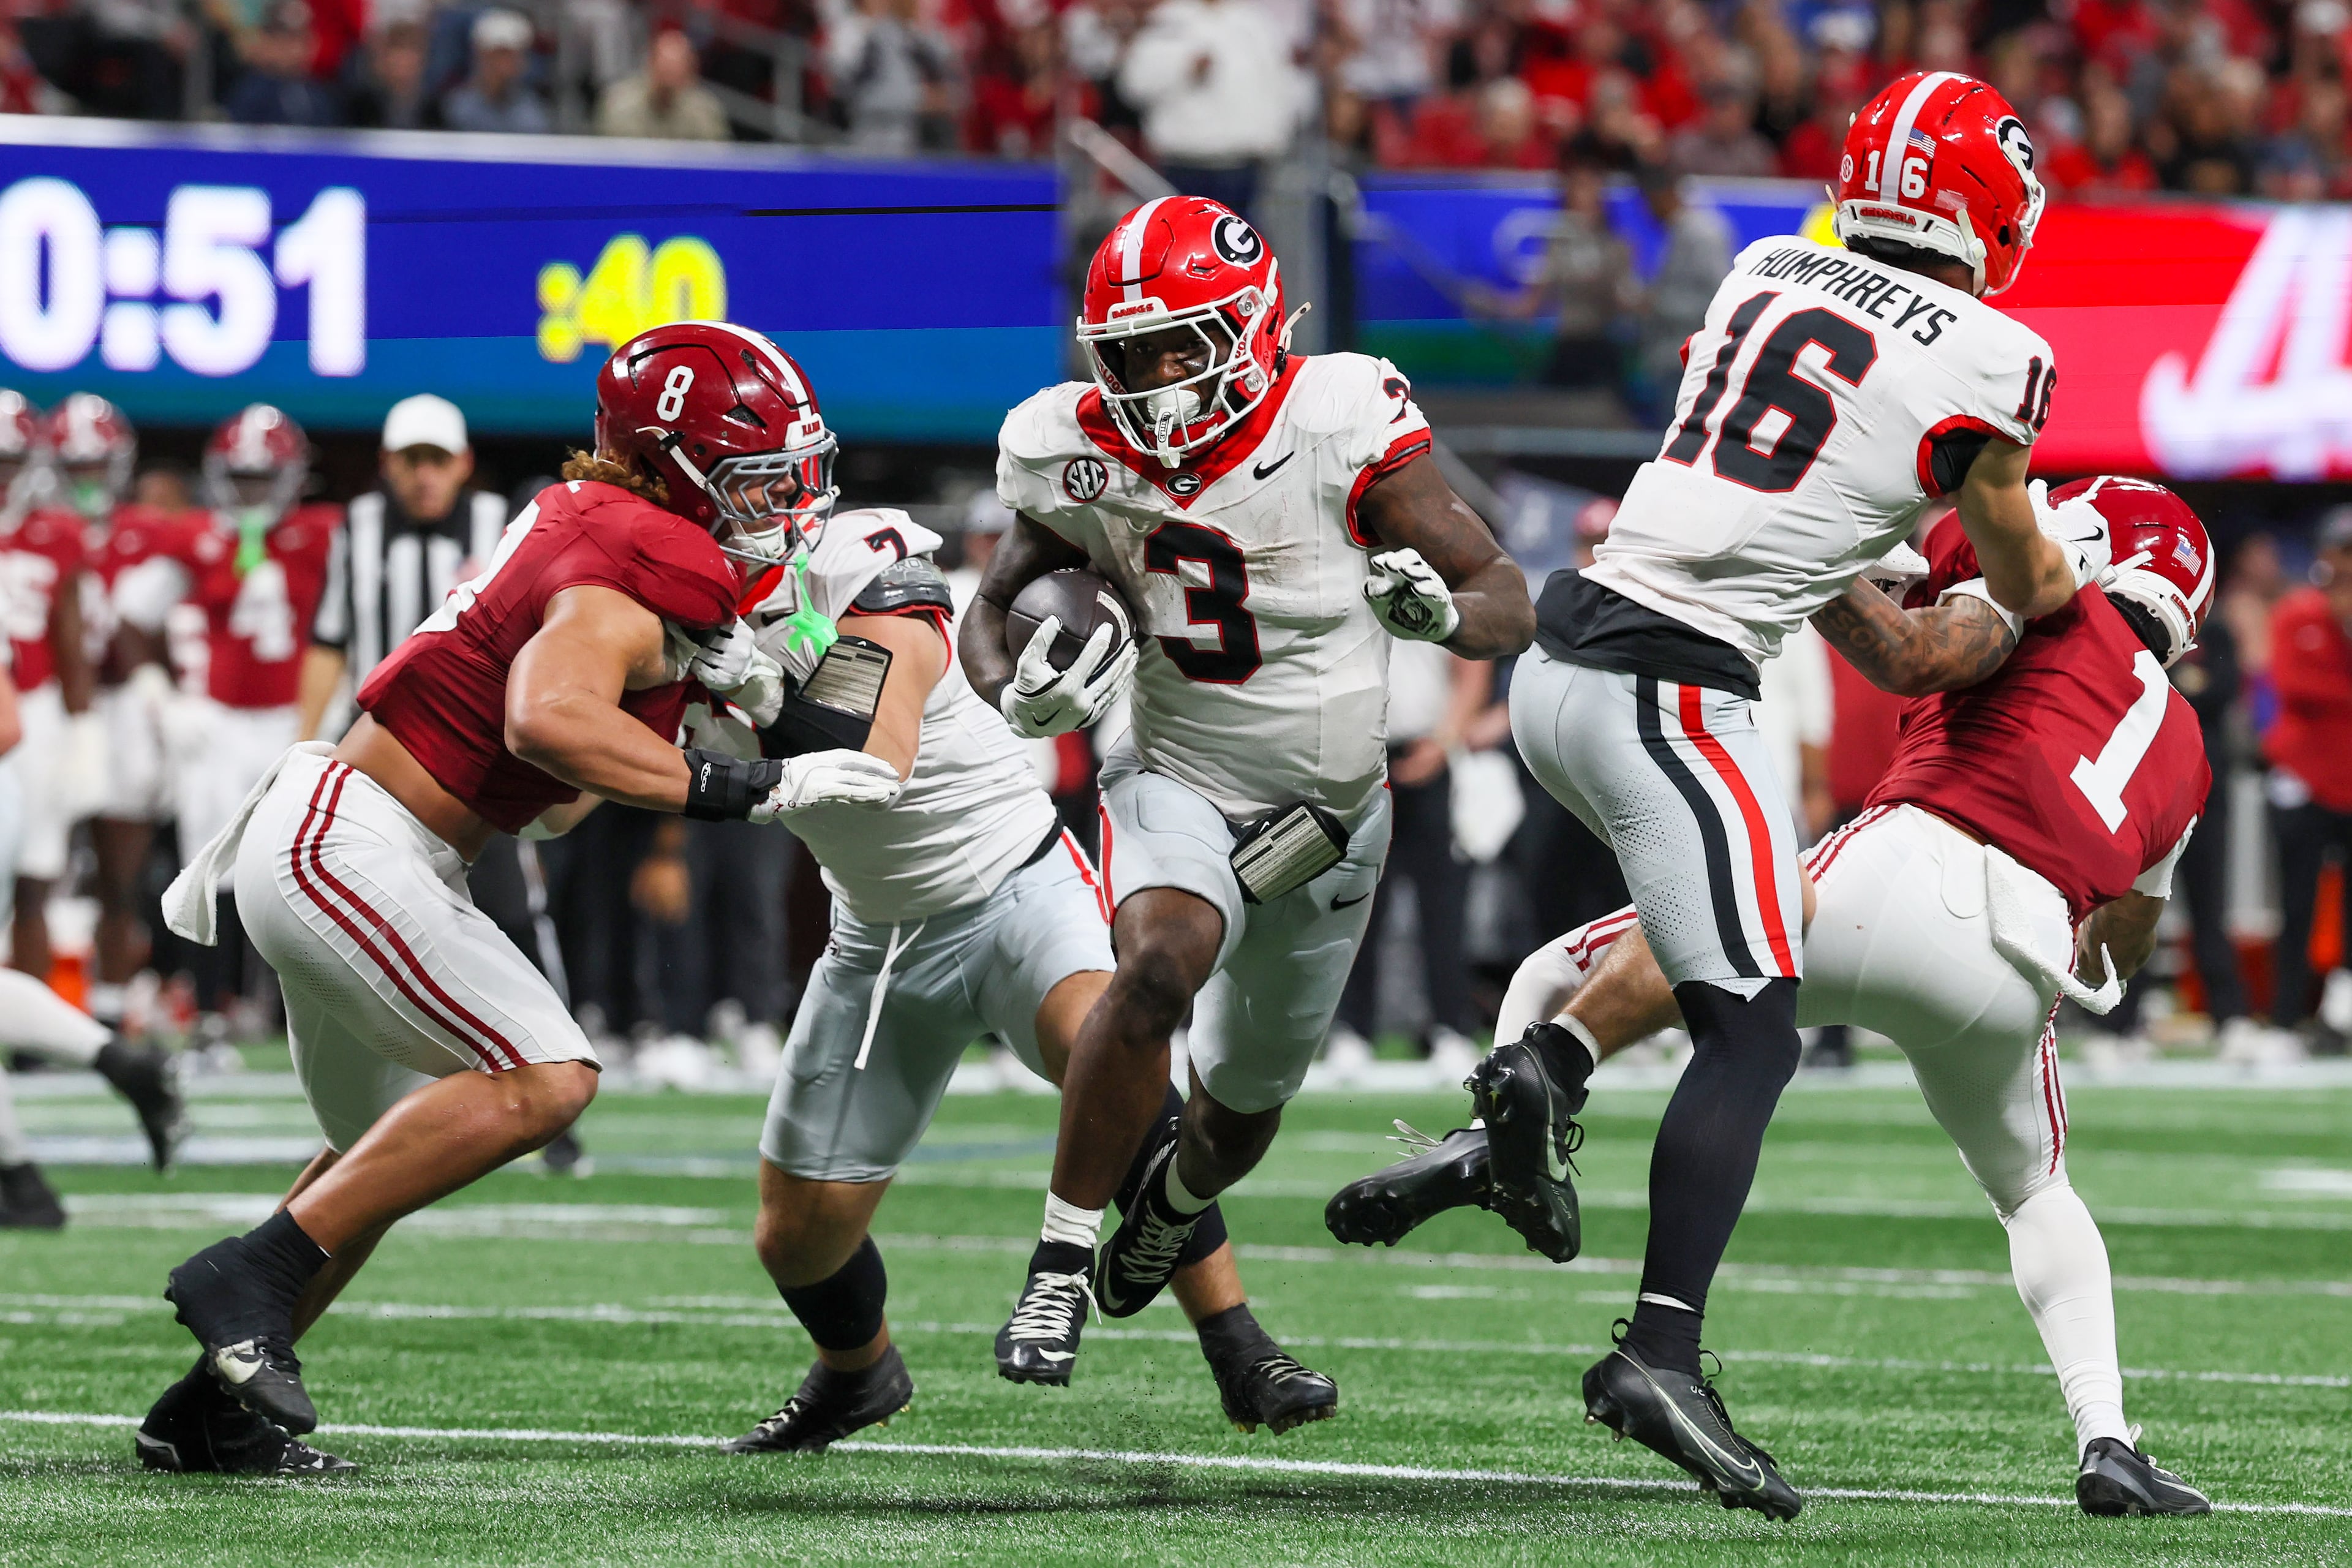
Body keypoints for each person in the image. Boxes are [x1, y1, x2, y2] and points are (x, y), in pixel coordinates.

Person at [1333, 477, 2218, 1519]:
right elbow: (2130, 937)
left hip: (1903, 869)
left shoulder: (2039, 601)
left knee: (1563, 971)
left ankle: (1510, 1118)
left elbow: (1917, 616)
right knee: (2035, 1193)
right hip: (2023, 963)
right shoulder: (2189, 750)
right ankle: (2108, 1441)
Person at [1478, 72, 2106, 1517]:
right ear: (1989, 205)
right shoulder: (1988, 352)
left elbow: (1812, 542)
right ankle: (1657, 1350)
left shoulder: (1766, 263)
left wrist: (1895, 603)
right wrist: (2040, 586)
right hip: (1671, 686)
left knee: (1725, 984)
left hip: (1565, 662)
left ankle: (1542, 1071)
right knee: (1753, 1029)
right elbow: (2018, 580)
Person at [132, 322, 900, 1476]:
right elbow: (542, 717)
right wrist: (753, 780)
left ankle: (205, 1413)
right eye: (757, 478)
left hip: (344, 837)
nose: (784, 502)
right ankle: (248, 1275)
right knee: (548, 1077)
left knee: (372, 1157)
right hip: (353, 845)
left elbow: (551, 803)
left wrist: (689, 706)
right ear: (680, 466)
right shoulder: (650, 547)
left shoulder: (596, 525)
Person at [963, 197, 1534, 1383]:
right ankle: (1058, 1266)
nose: (1160, 379)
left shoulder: (1338, 416)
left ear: (1260, 327)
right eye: (1133, 352)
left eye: (1187, 344)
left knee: (1240, 1111)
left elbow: (1504, 594)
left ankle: (1167, 1205)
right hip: (1179, 762)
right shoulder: (1067, 441)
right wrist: (1017, 686)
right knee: (1160, 961)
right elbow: (993, 605)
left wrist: (1441, 612)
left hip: (1333, 815)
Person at [724, 484, 1333, 1450]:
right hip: (875, 938)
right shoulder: (659, 608)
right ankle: (858, 1374)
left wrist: (753, 693)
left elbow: (870, 751)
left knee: (1120, 1073)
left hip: (1017, 885)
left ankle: (1240, 1343)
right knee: (795, 1233)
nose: (766, 503)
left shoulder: (858, 557)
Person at [111, 407, 339, 1048]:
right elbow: (132, 614)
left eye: (264, 478)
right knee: (208, 869)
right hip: (216, 719)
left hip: (294, 719)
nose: (253, 493)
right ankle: (211, 1008)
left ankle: (285, 1008)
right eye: (241, 479)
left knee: (296, 868)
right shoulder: (197, 538)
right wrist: (160, 694)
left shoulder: (326, 534)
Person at [1325, 643, 1491, 1080]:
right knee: (1358, 901)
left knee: (1443, 903)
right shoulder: (1347, 585)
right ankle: (1351, 1030)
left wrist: (1444, 741)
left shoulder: (1437, 583)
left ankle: (1451, 1028)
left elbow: (1472, 668)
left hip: (1428, 752)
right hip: (1360, 761)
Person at [2, 396, 101, 989]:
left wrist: (82, 728)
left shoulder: (58, 533)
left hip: (32, 711)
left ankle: (31, 1032)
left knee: (34, 875)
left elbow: (69, 638)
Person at [2261, 507, 2352, 1050]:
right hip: (2306, 779)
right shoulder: (2299, 614)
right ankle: (2284, 1015)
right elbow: (2295, 686)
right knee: (2295, 903)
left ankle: (2341, 1012)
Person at [1117, 0, 1306, 216]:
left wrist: (1277, 138)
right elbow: (1134, 84)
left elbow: (1282, 84)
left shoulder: (1256, 23)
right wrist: (1184, 67)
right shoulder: (1168, 20)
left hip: (1243, 166)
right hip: (1182, 163)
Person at [595, 28, 729, 141]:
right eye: (665, 69)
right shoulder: (619, 105)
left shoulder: (705, 112)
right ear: (650, 65)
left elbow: (716, 161)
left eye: (676, 71)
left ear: (690, 73)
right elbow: (607, 158)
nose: (669, 78)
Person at [440, 9, 549, 135]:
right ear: (479, 56)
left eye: (511, 55)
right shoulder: (454, 109)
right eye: (497, 54)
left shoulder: (534, 116)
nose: (503, 64)